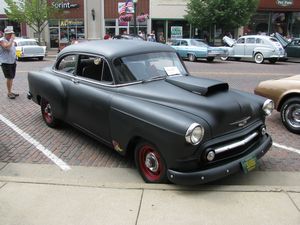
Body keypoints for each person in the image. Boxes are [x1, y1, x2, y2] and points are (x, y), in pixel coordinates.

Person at [0, 27, 18, 99]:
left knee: (11, 77)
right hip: (6, 62)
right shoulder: (1, 40)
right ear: (5, 34)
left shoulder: (11, 41)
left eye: (11, 34)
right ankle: (9, 93)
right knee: (9, 77)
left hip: (12, 61)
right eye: (9, 34)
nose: (11, 35)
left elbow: (12, 48)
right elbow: (7, 47)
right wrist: (11, 40)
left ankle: (10, 91)